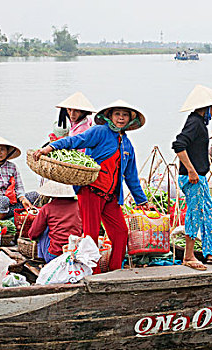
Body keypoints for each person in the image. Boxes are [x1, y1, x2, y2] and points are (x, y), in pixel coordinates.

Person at [33, 100, 149, 272]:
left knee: (121, 232)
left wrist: (141, 200)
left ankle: (115, 269)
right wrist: (50, 147)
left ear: (130, 120)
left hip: (111, 197)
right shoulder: (100, 132)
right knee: (91, 235)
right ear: (110, 116)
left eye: (125, 115)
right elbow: (76, 141)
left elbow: (131, 176)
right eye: (117, 114)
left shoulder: (127, 144)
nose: (121, 118)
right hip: (91, 192)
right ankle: (92, 272)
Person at [172, 84, 212, 270]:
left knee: (210, 213)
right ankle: (189, 257)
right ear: (206, 108)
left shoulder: (199, 123)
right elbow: (179, 145)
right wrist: (190, 170)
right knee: (194, 214)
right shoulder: (195, 123)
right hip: (193, 178)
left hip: (200, 178)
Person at [28, 181, 82, 263]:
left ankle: (41, 258)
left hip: (54, 256)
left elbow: (33, 233)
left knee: (44, 229)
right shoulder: (80, 206)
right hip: (75, 253)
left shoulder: (47, 208)